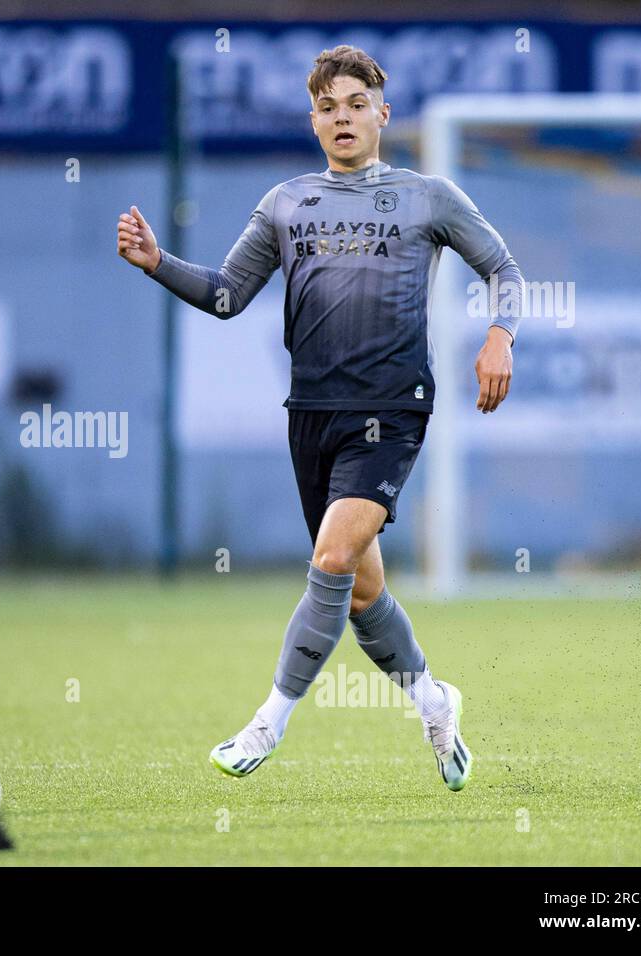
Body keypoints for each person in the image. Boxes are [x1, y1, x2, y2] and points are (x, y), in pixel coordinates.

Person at [116, 45, 524, 791]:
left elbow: (502, 267)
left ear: (382, 115)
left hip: (392, 411)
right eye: (329, 107)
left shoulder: (426, 195)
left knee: (332, 560)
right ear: (314, 120)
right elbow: (226, 295)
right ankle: (434, 701)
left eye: (356, 105)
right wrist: (158, 261)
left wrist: (500, 334)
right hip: (311, 415)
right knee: (362, 591)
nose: (344, 117)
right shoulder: (285, 203)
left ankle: (266, 722)